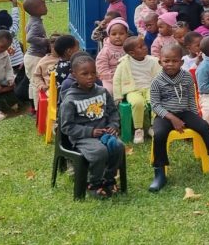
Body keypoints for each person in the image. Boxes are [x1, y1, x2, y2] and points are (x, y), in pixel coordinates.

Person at [148, 42, 209, 192]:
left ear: (181, 62)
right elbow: (155, 105)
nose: (170, 64)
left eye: (174, 60)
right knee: (159, 135)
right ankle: (159, 173)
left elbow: (191, 98)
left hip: (185, 112)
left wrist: (195, 118)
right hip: (164, 115)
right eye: (166, 61)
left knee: (203, 125)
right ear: (160, 62)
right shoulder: (157, 81)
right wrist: (172, 118)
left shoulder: (186, 77)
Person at [58, 55, 123, 199]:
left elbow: (113, 112)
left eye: (93, 73)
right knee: (99, 152)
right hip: (82, 138)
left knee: (118, 146)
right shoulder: (70, 99)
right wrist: (90, 132)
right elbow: (67, 127)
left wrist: (113, 125)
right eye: (85, 74)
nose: (90, 77)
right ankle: (93, 183)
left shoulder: (102, 91)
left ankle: (109, 179)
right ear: (74, 75)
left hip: (105, 134)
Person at [113, 36, 161, 144]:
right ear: (132, 53)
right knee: (137, 103)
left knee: (155, 100)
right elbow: (117, 79)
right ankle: (138, 129)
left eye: (144, 44)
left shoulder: (153, 61)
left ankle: (154, 126)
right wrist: (118, 96)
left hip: (150, 87)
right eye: (141, 47)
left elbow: (159, 76)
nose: (145, 47)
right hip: (133, 90)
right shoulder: (124, 63)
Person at [23, 0, 49, 109]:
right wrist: (46, 41)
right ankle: (38, 109)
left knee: (32, 82)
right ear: (35, 9)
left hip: (31, 57)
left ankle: (32, 106)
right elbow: (30, 38)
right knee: (36, 83)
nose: (46, 7)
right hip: (35, 57)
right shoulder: (36, 23)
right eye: (43, 5)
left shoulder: (33, 20)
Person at [95, 18, 128, 93]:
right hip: (110, 78)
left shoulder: (129, 47)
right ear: (108, 35)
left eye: (121, 33)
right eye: (114, 34)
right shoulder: (105, 51)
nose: (117, 36)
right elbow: (102, 69)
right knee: (109, 91)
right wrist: (115, 79)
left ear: (127, 34)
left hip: (128, 76)